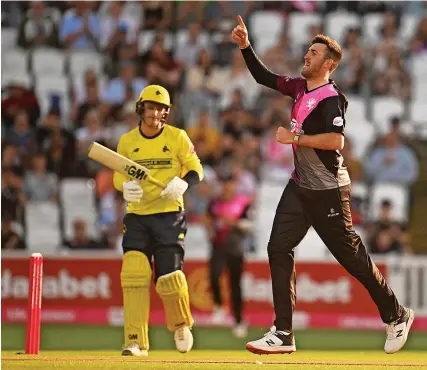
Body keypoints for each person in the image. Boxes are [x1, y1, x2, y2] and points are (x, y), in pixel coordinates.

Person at [231, 16, 414, 355]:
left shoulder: (333, 98)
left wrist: (295, 138)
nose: (306, 55)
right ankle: (283, 332)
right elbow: (264, 76)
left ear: (328, 63)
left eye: (313, 53)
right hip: (300, 186)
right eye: (308, 50)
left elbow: (335, 141)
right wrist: (245, 46)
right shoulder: (299, 87)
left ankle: (397, 315)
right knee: (277, 247)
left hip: (329, 190)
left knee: (353, 259)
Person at [113, 85, 204, 356]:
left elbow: (196, 169)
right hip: (138, 215)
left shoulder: (177, 137)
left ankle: (181, 324)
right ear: (141, 109)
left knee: (169, 277)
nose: (155, 114)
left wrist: (183, 183)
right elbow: (120, 174)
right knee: (134, 273)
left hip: (169, 215)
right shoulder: (127, 141)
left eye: (160, 109)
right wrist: (124, 186)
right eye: (150, 108)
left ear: (166, 113)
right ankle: (134, 340)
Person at [204, 175, 252, 338]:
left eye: (230, 186)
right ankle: (218, 306)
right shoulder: (215, 203)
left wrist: (232, 222)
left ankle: (239, 321)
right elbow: (208, 219)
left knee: (235, 286)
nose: (227, 190)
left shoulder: (242, 203)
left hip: (235, 247)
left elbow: (247, 225)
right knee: (213, 275)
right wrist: (210, 231)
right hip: (218, 246)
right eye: (225, 186)